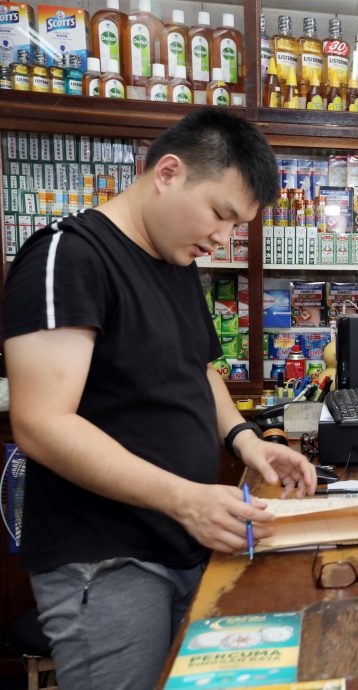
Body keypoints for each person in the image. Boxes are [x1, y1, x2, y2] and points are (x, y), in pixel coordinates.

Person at [4, 108, 317, 689]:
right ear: (168, 172)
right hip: (108, 558)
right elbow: (41, 423)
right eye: (222, 214)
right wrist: (185, 499)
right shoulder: (69, 256)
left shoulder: (174, 261)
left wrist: (245, 440)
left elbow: (199, 372)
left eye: (238, 226)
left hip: (182, 542)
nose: (224, 237)